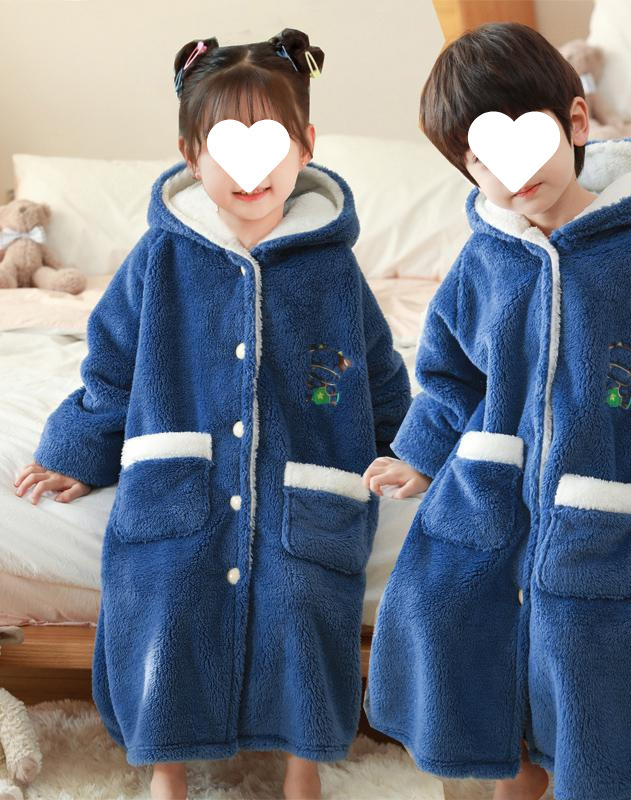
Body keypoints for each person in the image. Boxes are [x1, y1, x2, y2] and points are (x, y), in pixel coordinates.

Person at [361, 22, 631, 800]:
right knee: (449, 612)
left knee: (586, 657)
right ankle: (507, 775)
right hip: (492, 490)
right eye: (483, 158)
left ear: (576, 123)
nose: (512, 171)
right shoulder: (484, 260)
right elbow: (450, 375)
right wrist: (422, 454)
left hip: (598, 500)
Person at [14, 29, 411, 800]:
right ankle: (168, 770)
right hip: (180, 491)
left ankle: (303, 769)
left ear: (305, 147)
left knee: (305, 602)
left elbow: (377, 373)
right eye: (227, 146)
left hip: (302, 498)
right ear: (192, 156)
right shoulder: (161, 257)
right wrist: (77, 449)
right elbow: (112, 365)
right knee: (168, 598)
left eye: (271, 143)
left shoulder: (331, 267)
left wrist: (412, 451)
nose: (250, 168)